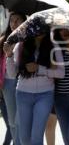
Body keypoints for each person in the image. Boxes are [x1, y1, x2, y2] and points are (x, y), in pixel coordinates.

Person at [4, 32, 65, 145]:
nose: (39, 29)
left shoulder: (54, 46)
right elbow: (12, 74)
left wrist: (39, 69)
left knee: (37, 137)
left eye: (42, 26)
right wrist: (9, 55)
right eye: (35, 26)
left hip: (45, 94)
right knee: (25, 138)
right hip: (23, 94)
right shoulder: (20, 45)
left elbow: (61, 73)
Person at [1, 12, 26, 145]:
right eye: (11, 20)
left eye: (17, 20)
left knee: (20, 119)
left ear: (24, 21)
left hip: (24, 80)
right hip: (8, 82)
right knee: (12, 121)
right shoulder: (4, 41)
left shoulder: (29, 39)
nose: (14, 24)